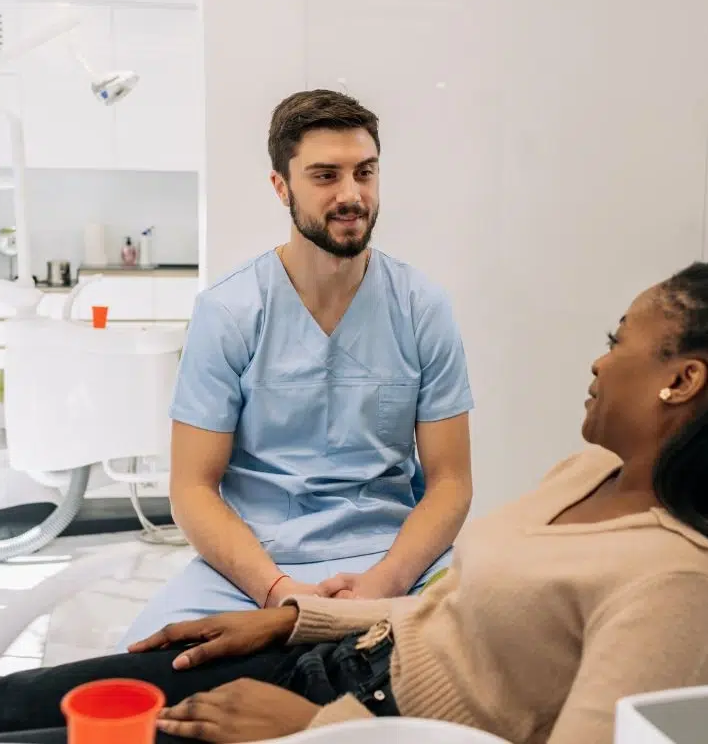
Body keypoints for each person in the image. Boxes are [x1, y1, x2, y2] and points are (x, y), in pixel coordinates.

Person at [0, 262, 708, 744]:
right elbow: (456, 616)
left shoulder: (677, 588)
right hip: (320, 654)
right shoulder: (590, 472)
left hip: (351, 725)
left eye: (622, 339)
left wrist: (317, 735)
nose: (599, 360)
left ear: (681, 380)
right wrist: (290, 617)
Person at [119, 89, 476, 646]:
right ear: (281, 187)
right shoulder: (230, 313)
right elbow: (192, 488)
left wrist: (385, 582)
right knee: (144, 666)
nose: (352, 194)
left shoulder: (421, 307)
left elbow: (451, 481)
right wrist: (278, 591)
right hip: (252, 568)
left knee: (490, 653)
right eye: (325, 176)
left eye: (365, 172)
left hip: (396, 558)